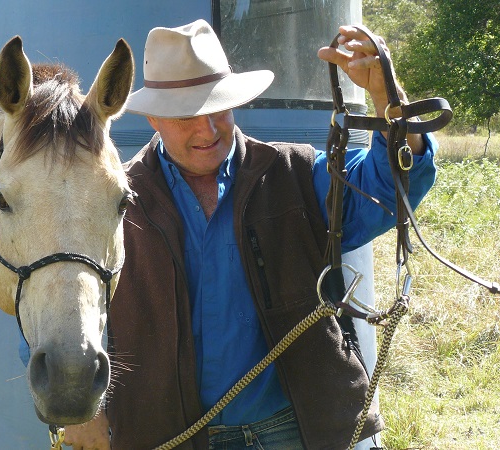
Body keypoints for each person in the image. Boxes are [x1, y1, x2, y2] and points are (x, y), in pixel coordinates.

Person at [62, 19, 437, 449]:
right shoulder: (115, 201)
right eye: (186, 115)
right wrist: (80, 409)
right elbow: (57, 298)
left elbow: (390, 188)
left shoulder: (294, 172)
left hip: (297, 429)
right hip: (170, 436)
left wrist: (386, 98)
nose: (207, 130)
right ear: (153, 117)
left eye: (218, 107)